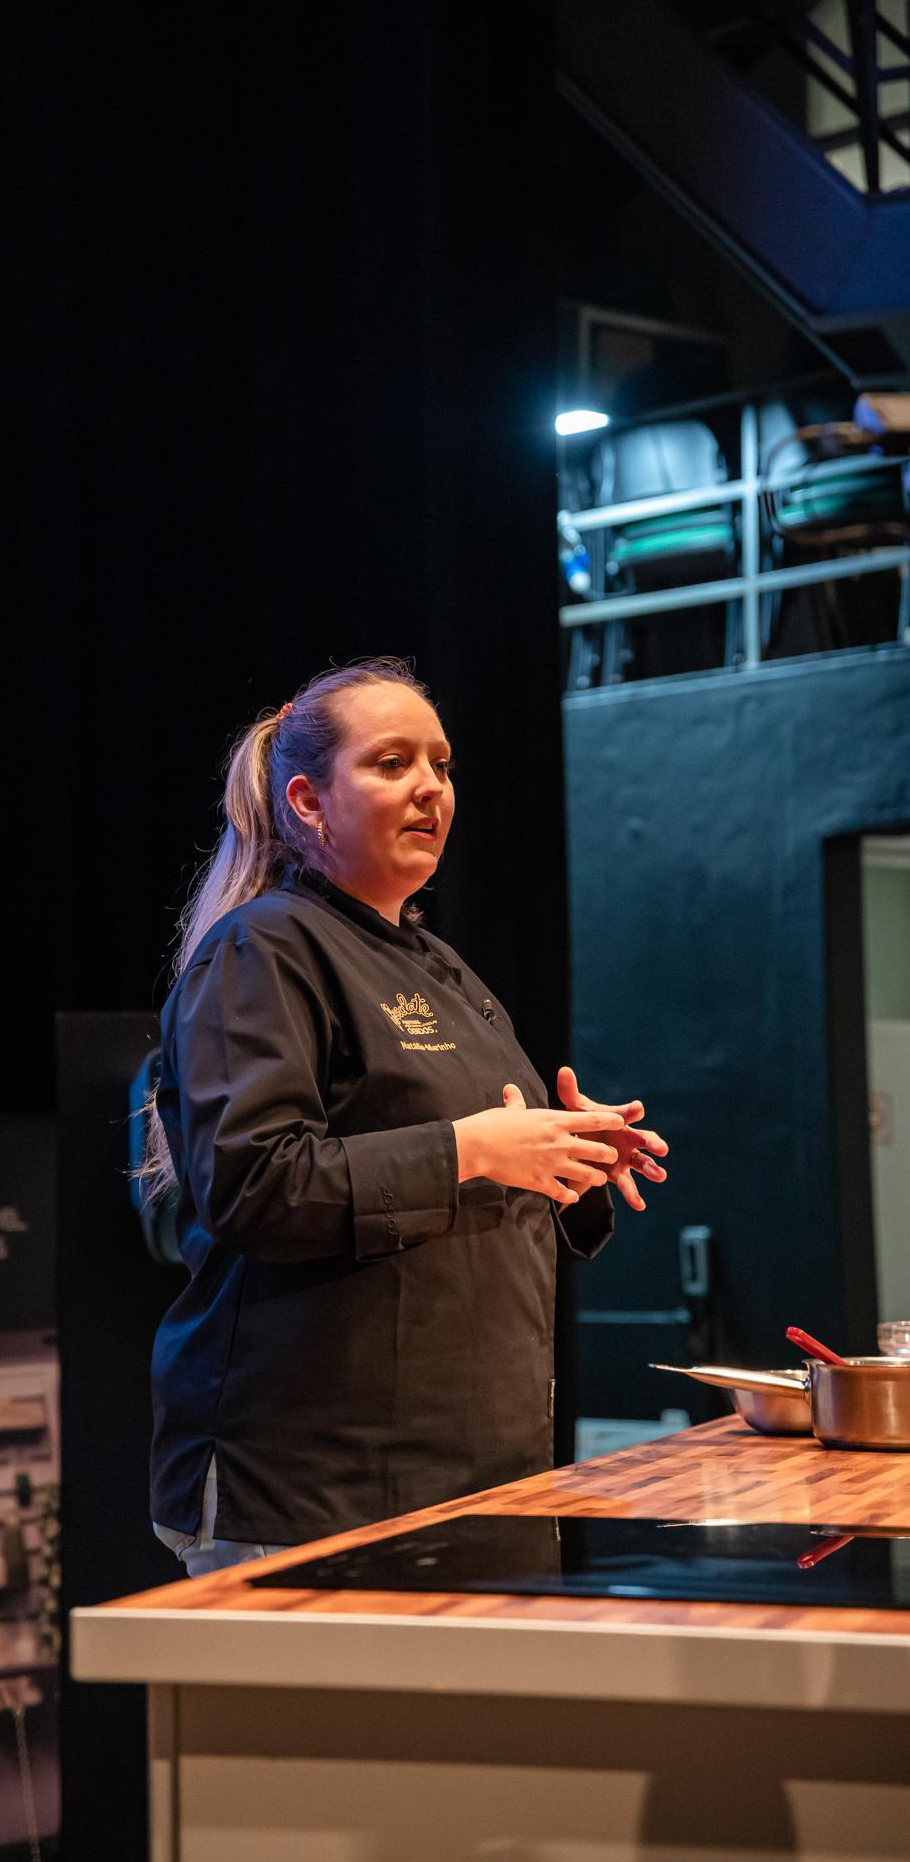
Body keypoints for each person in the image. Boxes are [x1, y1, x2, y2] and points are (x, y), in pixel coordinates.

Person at [148, 658, 667, 1576]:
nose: (430, 787)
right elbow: (252, 1185)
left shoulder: (441, 968)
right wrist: (468, 1149)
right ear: (308, 801)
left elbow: (478, 1180)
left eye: (441, 764)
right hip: (318, 1491)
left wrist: (569, 1155)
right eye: (391, 763)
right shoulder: (262, 947)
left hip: (482, 1481)